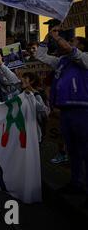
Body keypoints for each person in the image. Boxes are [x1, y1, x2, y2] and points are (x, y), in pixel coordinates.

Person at [37, 26, 88, 207]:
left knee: (85, 150)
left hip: (82, 112)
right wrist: (45, 39)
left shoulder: (84, 59)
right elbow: (41, 56)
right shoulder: (62, 61)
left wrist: (56, 37)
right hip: (66, 112)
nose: (70, 43)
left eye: (74, 41)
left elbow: (68, 48)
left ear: (81, 46)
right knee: (72, 150)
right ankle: (77, 183)